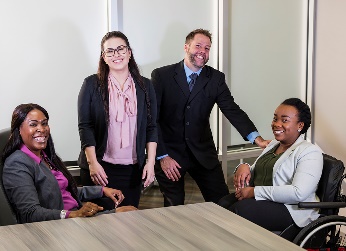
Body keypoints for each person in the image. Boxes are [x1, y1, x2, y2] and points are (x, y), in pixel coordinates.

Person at [151, 28, 270, 207]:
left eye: (207, 48)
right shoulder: (162, 76)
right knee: (174, 209)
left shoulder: (215, 78)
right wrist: (162, 156)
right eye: (198, 46)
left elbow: (232, 109)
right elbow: (152, 119)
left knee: (223, 203)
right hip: (171, 154)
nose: (202, 52)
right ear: (186, 47)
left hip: (203, 152)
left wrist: (257, 139)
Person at [1, 103, 128, 224]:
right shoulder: (17, 163)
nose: (41, 129)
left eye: (44, 123)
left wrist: (102, 190)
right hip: (59, 226)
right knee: (127, 218)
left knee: (129, 211)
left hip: (75, 217)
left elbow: (61, 191)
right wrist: (72, 214)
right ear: (18, 130)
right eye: (33, 125)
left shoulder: (45, 156)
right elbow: (30, 213)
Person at [78, 31, 157, 208]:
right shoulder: (91, 84)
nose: (116, 55)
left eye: (120, 49)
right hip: (100, 167)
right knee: (99, 224)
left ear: (129, 52)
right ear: (104, 57)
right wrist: (93, 163)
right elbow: (85, 126)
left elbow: (152, 127)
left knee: (128, 223)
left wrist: (150, 163)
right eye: (110, 51)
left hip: (132, 170)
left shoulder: (145, 86)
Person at [218, 98, 323, 231]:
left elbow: (298, 193)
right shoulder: (273, 144)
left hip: (291, 208)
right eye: (275, 119)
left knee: (239, 210)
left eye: (284, 120)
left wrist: (254, 192)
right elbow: (264, 172)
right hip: (266, 201)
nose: (277, 124)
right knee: (222, 204)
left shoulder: (309, 152)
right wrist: (244, 167)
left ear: (300, 125)